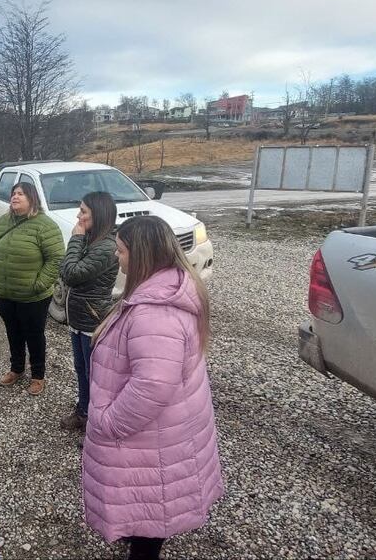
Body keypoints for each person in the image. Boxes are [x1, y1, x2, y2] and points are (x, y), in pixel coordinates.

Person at [82, 215, 224, 560]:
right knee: (149, 512)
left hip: (149, 440)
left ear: (141, 254)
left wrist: (107, 422)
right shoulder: (167, 290)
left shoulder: (154, 313)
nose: (117, 257)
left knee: (149, 516)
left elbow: (152, 386)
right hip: (165, 435)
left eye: (121, 251)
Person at [0, 182, 64, 396]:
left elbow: (56, 259)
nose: (15, 197)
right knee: (13, 332)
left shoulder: (45, 225)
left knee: (34, 335)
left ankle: (38, 375)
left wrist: (40, 284)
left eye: (21, 194)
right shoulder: (4, 221)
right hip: (5, 293)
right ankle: (16, 369)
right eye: (14, 193)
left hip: (33, 297)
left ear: (32, 199)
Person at [58, 191, 120, 432]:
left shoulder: (106, 247)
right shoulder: (91, 239)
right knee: (81, 368)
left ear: (99, 214)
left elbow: (71, 274)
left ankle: (97, 422)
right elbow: (66, 268)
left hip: (92, 320)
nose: (78, 215)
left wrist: (75, 239)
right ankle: (84, 411)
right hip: (79, 318)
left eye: (83, 211)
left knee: (96, 375)